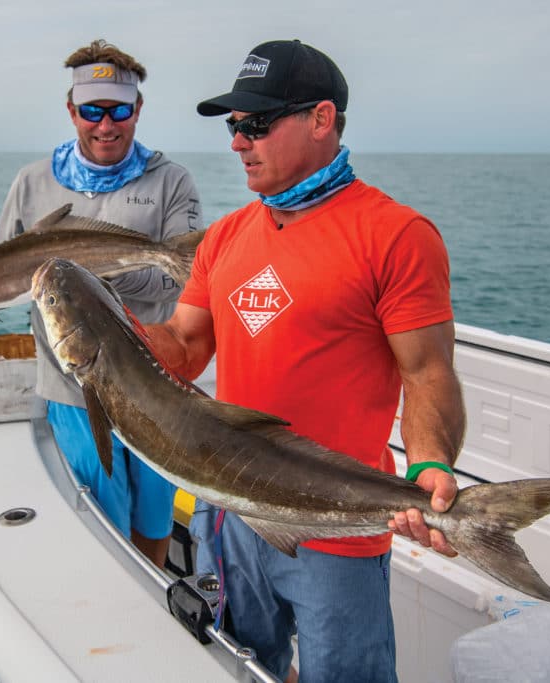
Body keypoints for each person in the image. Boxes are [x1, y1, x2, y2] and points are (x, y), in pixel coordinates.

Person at [142, 40, 465, 682]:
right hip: (230, 510)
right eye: (235, 127)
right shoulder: (226, 236)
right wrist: (98, 324)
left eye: (256, 124)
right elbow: (182, 348)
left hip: (335, 527)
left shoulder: (396, 234)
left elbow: (427, 374)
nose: (238, 142)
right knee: (238, 664)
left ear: (321, 120)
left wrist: (429, 461)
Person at [0, 39, 203, 567]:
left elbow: (182, 281)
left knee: (155, 518)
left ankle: (153, 599)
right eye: (92, 111)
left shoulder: (171, 181)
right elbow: (3, 274)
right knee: (101, 518)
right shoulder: (31, 184)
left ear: (137, 110)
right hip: (71, 385)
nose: (105, 125)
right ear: (72, 110)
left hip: (152, 384)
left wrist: (81, 276)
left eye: (118, 111)